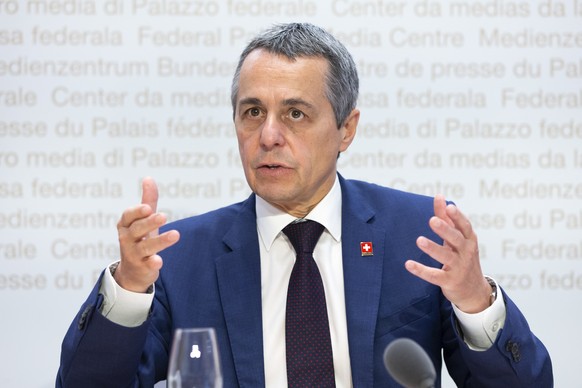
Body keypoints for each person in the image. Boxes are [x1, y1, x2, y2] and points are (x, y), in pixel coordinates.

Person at [56, 23, 552, 387]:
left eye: (295, 113)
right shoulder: (178, 258)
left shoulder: (419, 234)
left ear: (346, 130)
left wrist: (474, 302)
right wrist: (128, 288)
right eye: (253, 112)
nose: (269, 136)